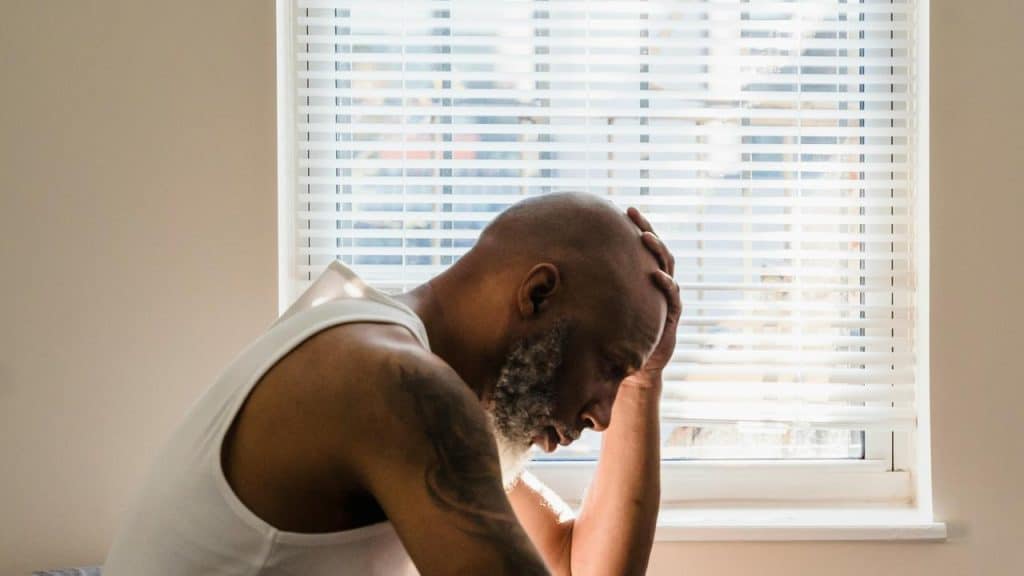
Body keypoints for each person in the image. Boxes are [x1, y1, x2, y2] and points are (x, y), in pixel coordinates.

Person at [103, 192, 681, 576]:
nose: (601, 416)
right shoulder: (394, 387)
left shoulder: (409, 373)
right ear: (536, 294)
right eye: (610, 366)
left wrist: (643, 382)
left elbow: (578, 565)